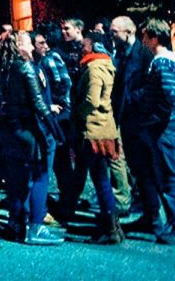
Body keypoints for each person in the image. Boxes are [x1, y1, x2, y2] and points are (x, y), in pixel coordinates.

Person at [0, 31, 63, 245]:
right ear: (19, 45)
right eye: (28, 43)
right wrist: (55, 130)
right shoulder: (25, 67)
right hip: (29, 129)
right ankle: (36, 225)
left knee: (17, 178)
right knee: (39, 175)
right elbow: (38, 102)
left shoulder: (6, 69)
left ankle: (15, 223)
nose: (33, 47)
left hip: (11, 129)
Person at [135, 18, 175, 245]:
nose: (143, 42)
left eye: (145, 37)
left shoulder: (161, 63)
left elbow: (170, 96)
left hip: (167, 129)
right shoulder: (170, 61)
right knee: (168, 178)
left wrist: (156, 120)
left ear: (154, 38)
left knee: (171, 179)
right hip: (173, 125)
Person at [67, 31, 122, 244]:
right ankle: (112, 225)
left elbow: (91, 100)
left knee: (101, 179)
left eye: (86, 44)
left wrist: (76, 112)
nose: (82, 47)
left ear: (96, 46)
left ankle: (110, 229)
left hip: (94, 131)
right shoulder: (104, 65)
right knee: (98, 177)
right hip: (103, 128)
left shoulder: (94, 68)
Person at [34, 23, 76, 217]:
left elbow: (62, 83)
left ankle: (67, 203)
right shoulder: (46, 60)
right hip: (59, 112)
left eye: (42, 42)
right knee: (61, 161)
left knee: (61, 159)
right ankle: (67, 200)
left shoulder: (49, 60)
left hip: (60, 114)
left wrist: (56, 103)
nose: (41, 46)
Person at [110, 15, 149, 220]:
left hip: (136, 115)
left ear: (128, 32)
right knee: (130, 160)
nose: (112, 35)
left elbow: (148, 86)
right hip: (123, 114)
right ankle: (138, 199)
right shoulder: (122, 53)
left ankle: (145, 204)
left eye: (115, 31)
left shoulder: (142, 54)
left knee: (139, 161)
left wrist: (132, 99)